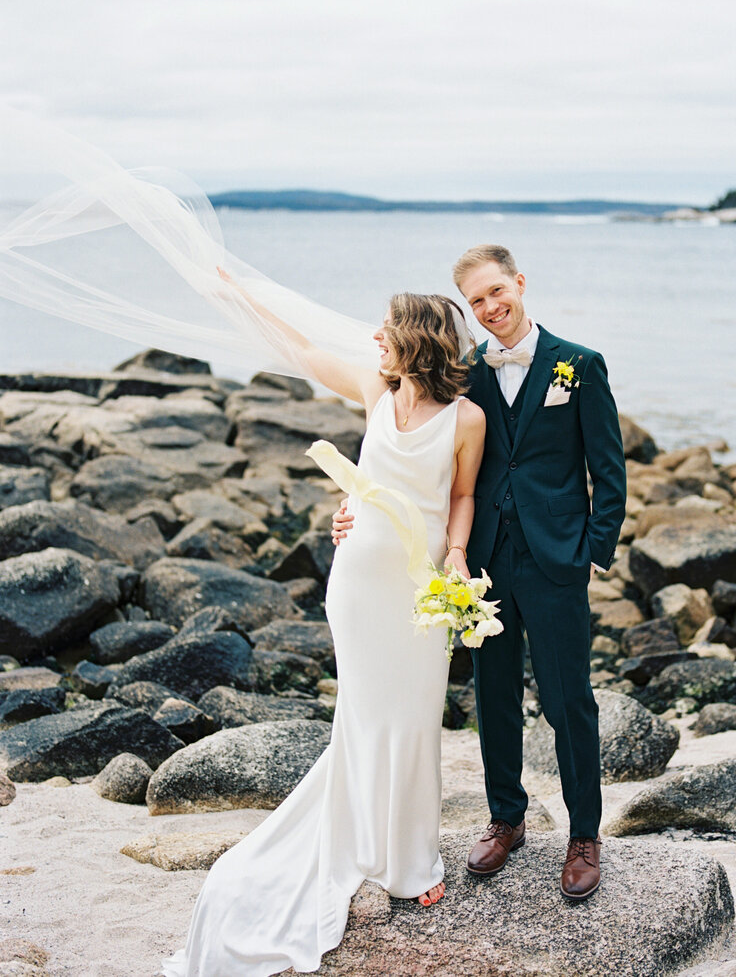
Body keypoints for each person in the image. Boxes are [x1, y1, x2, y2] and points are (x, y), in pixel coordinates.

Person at [161, 280, 486, 976]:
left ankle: (409, 858)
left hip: (422, 589)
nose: (375, 337)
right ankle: (372, 848)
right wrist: (236, 294)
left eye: (388, 328)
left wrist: (456, 554)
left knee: (417, 718)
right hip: (360, 585)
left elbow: (462, 494)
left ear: (416, 339)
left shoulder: (467, 419)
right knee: (366, 716)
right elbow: (303, 349)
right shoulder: (376, 389)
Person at [334, 244, 626, 901]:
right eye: (477, 302)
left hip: (557, 563)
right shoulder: (464, 373)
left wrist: (591, 554)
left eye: (499, 292)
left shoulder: (580, 366)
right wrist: (356, 508)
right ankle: (507, 817)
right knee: (493, 696)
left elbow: (609, 473)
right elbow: (412, 447)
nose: (492, 307)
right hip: (485, 562)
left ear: (520, 282)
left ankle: (584, 833)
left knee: (567, 698)